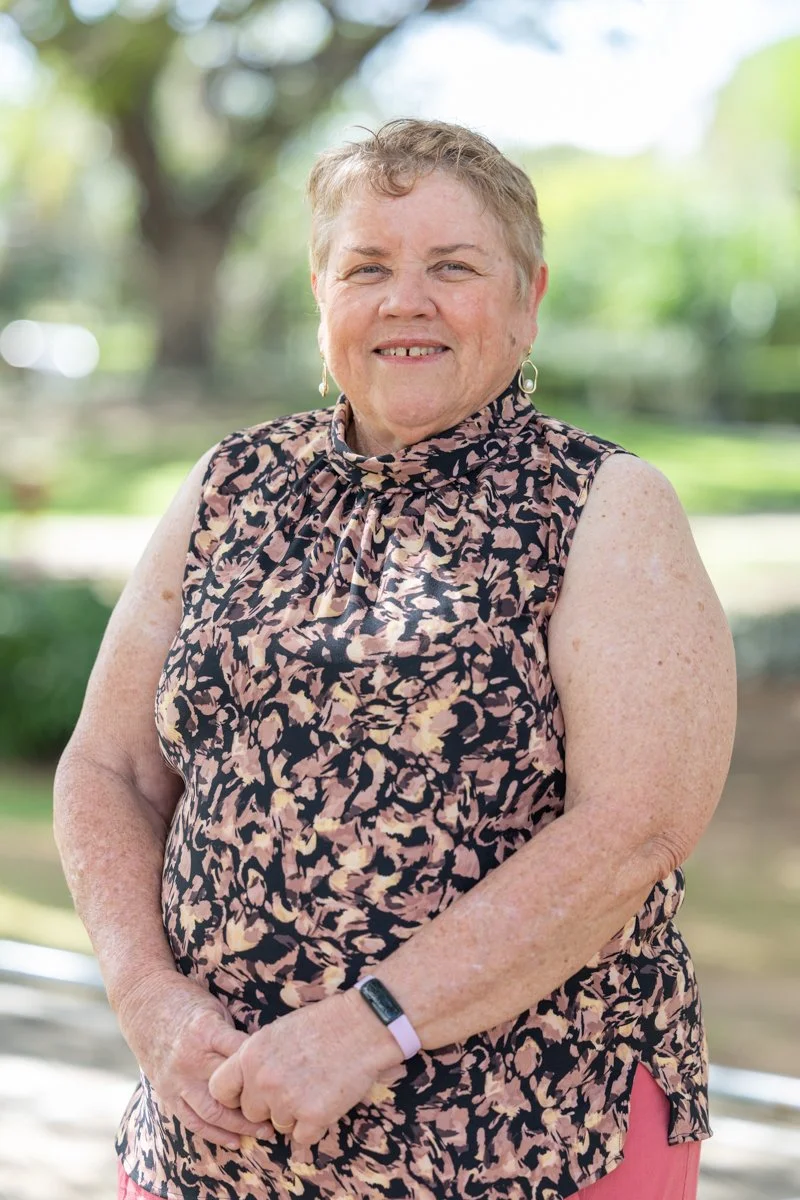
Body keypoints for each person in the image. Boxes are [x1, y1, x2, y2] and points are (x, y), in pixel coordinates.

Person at [54, 119, 737, 1200]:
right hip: (214, 1139)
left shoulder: (603, 504)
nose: (403, 299)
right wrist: (146, 997)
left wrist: (369, 1027)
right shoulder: (230, 483)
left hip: (524, 1138)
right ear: (321, 292)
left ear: (527, 296)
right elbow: (109, 769)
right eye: (366, 265)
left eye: (452, 266)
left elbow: (632, 829)